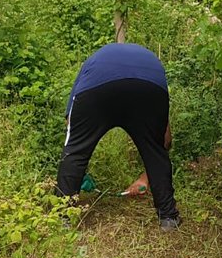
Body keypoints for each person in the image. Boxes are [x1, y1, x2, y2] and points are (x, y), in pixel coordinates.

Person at [56, 43, 180, 229]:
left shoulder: (91, 65)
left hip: (98, 86)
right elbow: (165, 140)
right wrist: (147, 175)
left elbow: (71, 127)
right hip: (148, 87)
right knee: (155, 150)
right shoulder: (151, 64)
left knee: (76, 150)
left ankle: (62, 217)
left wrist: (77, 172)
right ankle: (168, 218)